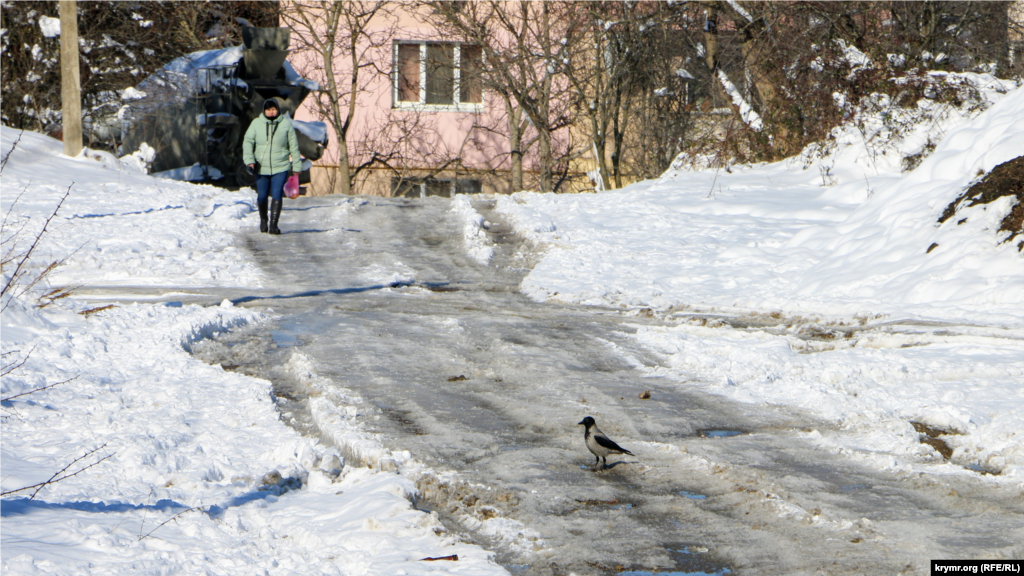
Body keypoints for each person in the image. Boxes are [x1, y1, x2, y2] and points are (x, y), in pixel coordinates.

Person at [242, 97, 303, 235]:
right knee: (262, 196)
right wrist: (249, 160)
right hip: (261, 167)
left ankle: (274, 225)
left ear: (278, 110)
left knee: (277, 195)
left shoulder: (286, 125)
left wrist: (297, 166)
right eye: (268, 109)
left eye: (273, 109)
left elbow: (294, 147)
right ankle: (264, 220)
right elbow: (248, 142)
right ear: (264, 110)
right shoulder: (256, 123)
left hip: (280, 167)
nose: (271, 112)